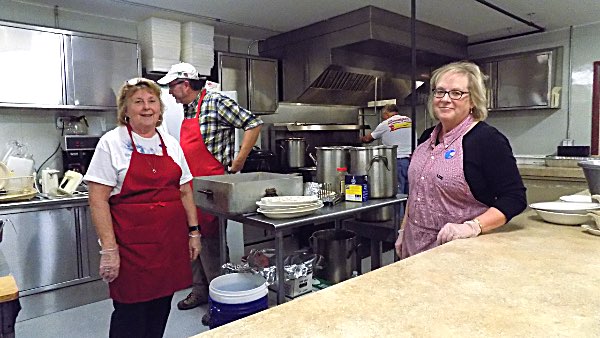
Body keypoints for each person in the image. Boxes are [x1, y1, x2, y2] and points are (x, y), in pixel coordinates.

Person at [84, 77, 201, 338]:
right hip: (131, 248)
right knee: (130, 315)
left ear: (160, 108)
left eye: (152, 101)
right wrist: (109, 250)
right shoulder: (111, 143)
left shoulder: (170, 143)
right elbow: (98, 199)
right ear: (125, 110)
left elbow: (184, 190)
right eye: (138, 102)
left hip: (168, 244)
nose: (146, 107)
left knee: (161, 308)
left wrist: (194, 232)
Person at [157, 63, 263, 313]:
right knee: (193, 237)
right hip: (190, 185)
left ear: (185, 84)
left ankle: (220, 299)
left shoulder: (215, 101)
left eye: (172, 87)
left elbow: (253, 123)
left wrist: (239, 159)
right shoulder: (188, 109)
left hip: (213, 186)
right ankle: (200, 291)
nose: (170, 93)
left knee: (212, 242)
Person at [395, 61, 526, 259]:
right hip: (414, 248)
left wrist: (473, 227)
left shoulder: (487, 140)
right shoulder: (426, 137)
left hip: (458, 252)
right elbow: (416, 193)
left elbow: (515, 198)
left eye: (456, 93)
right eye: (440, 92)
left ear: (473, 100)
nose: (445, 99)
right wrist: (403, 231)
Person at [361, 103, 412, 194]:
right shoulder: (408, 120)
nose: (382, 118)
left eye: (382, 116)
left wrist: (358, 139)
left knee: (398, 193)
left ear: (386, 114)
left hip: (397, 161)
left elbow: (368, 139)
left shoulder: (385, 124)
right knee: (409, 193)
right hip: (412, 160)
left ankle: (399, 209)